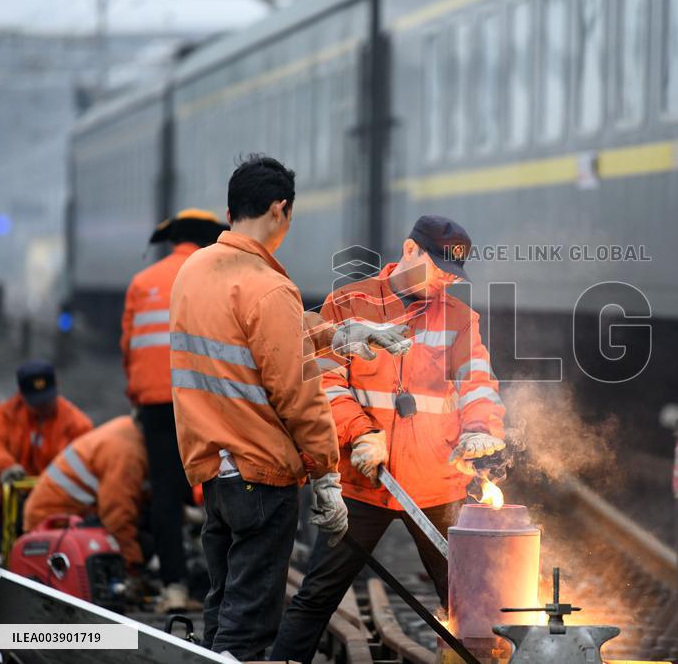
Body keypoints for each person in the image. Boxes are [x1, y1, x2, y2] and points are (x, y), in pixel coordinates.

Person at [170, 154, 409, 660]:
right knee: (251, 624)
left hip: (214, 470)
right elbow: (299, 395)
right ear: (280, 209)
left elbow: (265, 335)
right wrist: (326, 476)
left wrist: (343, 333)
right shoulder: (269, 286)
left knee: (223, 604)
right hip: (261, 474)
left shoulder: (195, 270)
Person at [272, 215, 507, 663]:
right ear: (409, 249)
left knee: (470, 609)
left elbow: (478, 383)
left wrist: (480, 429)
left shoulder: (460, 318)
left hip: (438, 486)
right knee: (318, 597)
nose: (443, 281)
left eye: (451, 275)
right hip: (366, 480)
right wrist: (362, 434)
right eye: (437, 267)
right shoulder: (348, 304)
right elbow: (326, 383)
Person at [121, 208, 228, 612]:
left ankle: (175, 588)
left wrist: (137, 396)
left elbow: (128, 346)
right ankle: (223, 585)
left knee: (165, 493)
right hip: (202, 398)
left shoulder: (142, 281)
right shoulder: (213, 274)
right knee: (218, 485)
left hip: (154, 402)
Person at [23, 414, 147, 570]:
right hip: (50, 522)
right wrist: (132, 564)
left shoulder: (127, 428)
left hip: (56, 514)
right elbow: (117, 515)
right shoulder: (128, 453)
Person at [0, 361, 93, 530]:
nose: (42, 407)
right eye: (36, 402)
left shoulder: (77, 424)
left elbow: (87, 465)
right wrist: (6, 467)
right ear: (22, 395)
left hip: (56, 510)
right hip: (9, 509)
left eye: (46, 400)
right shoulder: (6, 413)